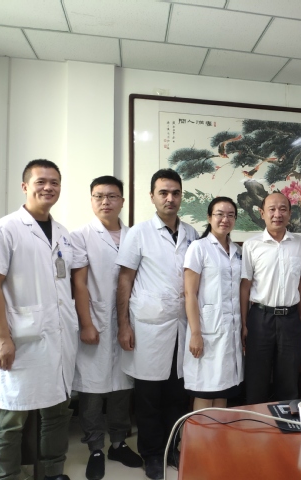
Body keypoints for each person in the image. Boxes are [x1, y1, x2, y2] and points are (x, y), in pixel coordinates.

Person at [0, 159, 78, 480]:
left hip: (59, 338)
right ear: (25, 187)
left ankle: (52, 471)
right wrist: (1, 336)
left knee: (57, 410)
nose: (48, 187)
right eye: (41, 182)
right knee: (12, 416)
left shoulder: (63, 233)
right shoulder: (5, 229)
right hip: (20, 339)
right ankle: (4, 476)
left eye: (54, 182)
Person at [115, 168, 199, 479]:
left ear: (181, 196)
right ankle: (151, 454)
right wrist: (123, 325)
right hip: (148, 326)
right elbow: (125, 280)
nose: (170, 198)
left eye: (175, 192)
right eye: (163, 192)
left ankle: (171, 448)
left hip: (180, 325)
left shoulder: (191, 234)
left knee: (176, 394)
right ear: (152, 196)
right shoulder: (138, 233)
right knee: (149, 395)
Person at [70, 176, 142, 480]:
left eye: (112, 196)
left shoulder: (135, 235)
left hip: (129, 321)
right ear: (91, 200)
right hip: (95, 319)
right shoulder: (80, 236)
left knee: (123, 386)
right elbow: (79, 283)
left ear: (122, 201)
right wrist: (86, 324)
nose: (105, 202)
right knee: (91, 389)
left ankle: (118, 443)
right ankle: (95, 447)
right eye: (98, 196)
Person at [241, 192, 301, 404]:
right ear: (262, 213)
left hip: (290, 319)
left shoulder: (299, 243)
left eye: (282, 209)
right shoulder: (251, 245)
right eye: (272, 209)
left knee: (289, 380)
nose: (277, 214)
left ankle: (286, 422)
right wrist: (244, 323)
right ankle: (255, 421)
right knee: (256, 378)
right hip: (260, 318)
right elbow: (245, 286)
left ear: (290, 213)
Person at [183, 197, 243, 410]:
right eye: (219, 214)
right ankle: (197, 433)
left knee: (223, 388)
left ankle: (218, 432)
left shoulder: (237, 251)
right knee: (205, 389)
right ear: (209, 218)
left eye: (230, 215)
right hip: (206, 330)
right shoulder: (198, 248)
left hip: (230, 331)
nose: (225, 219)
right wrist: (195, 334)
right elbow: (190, 293)